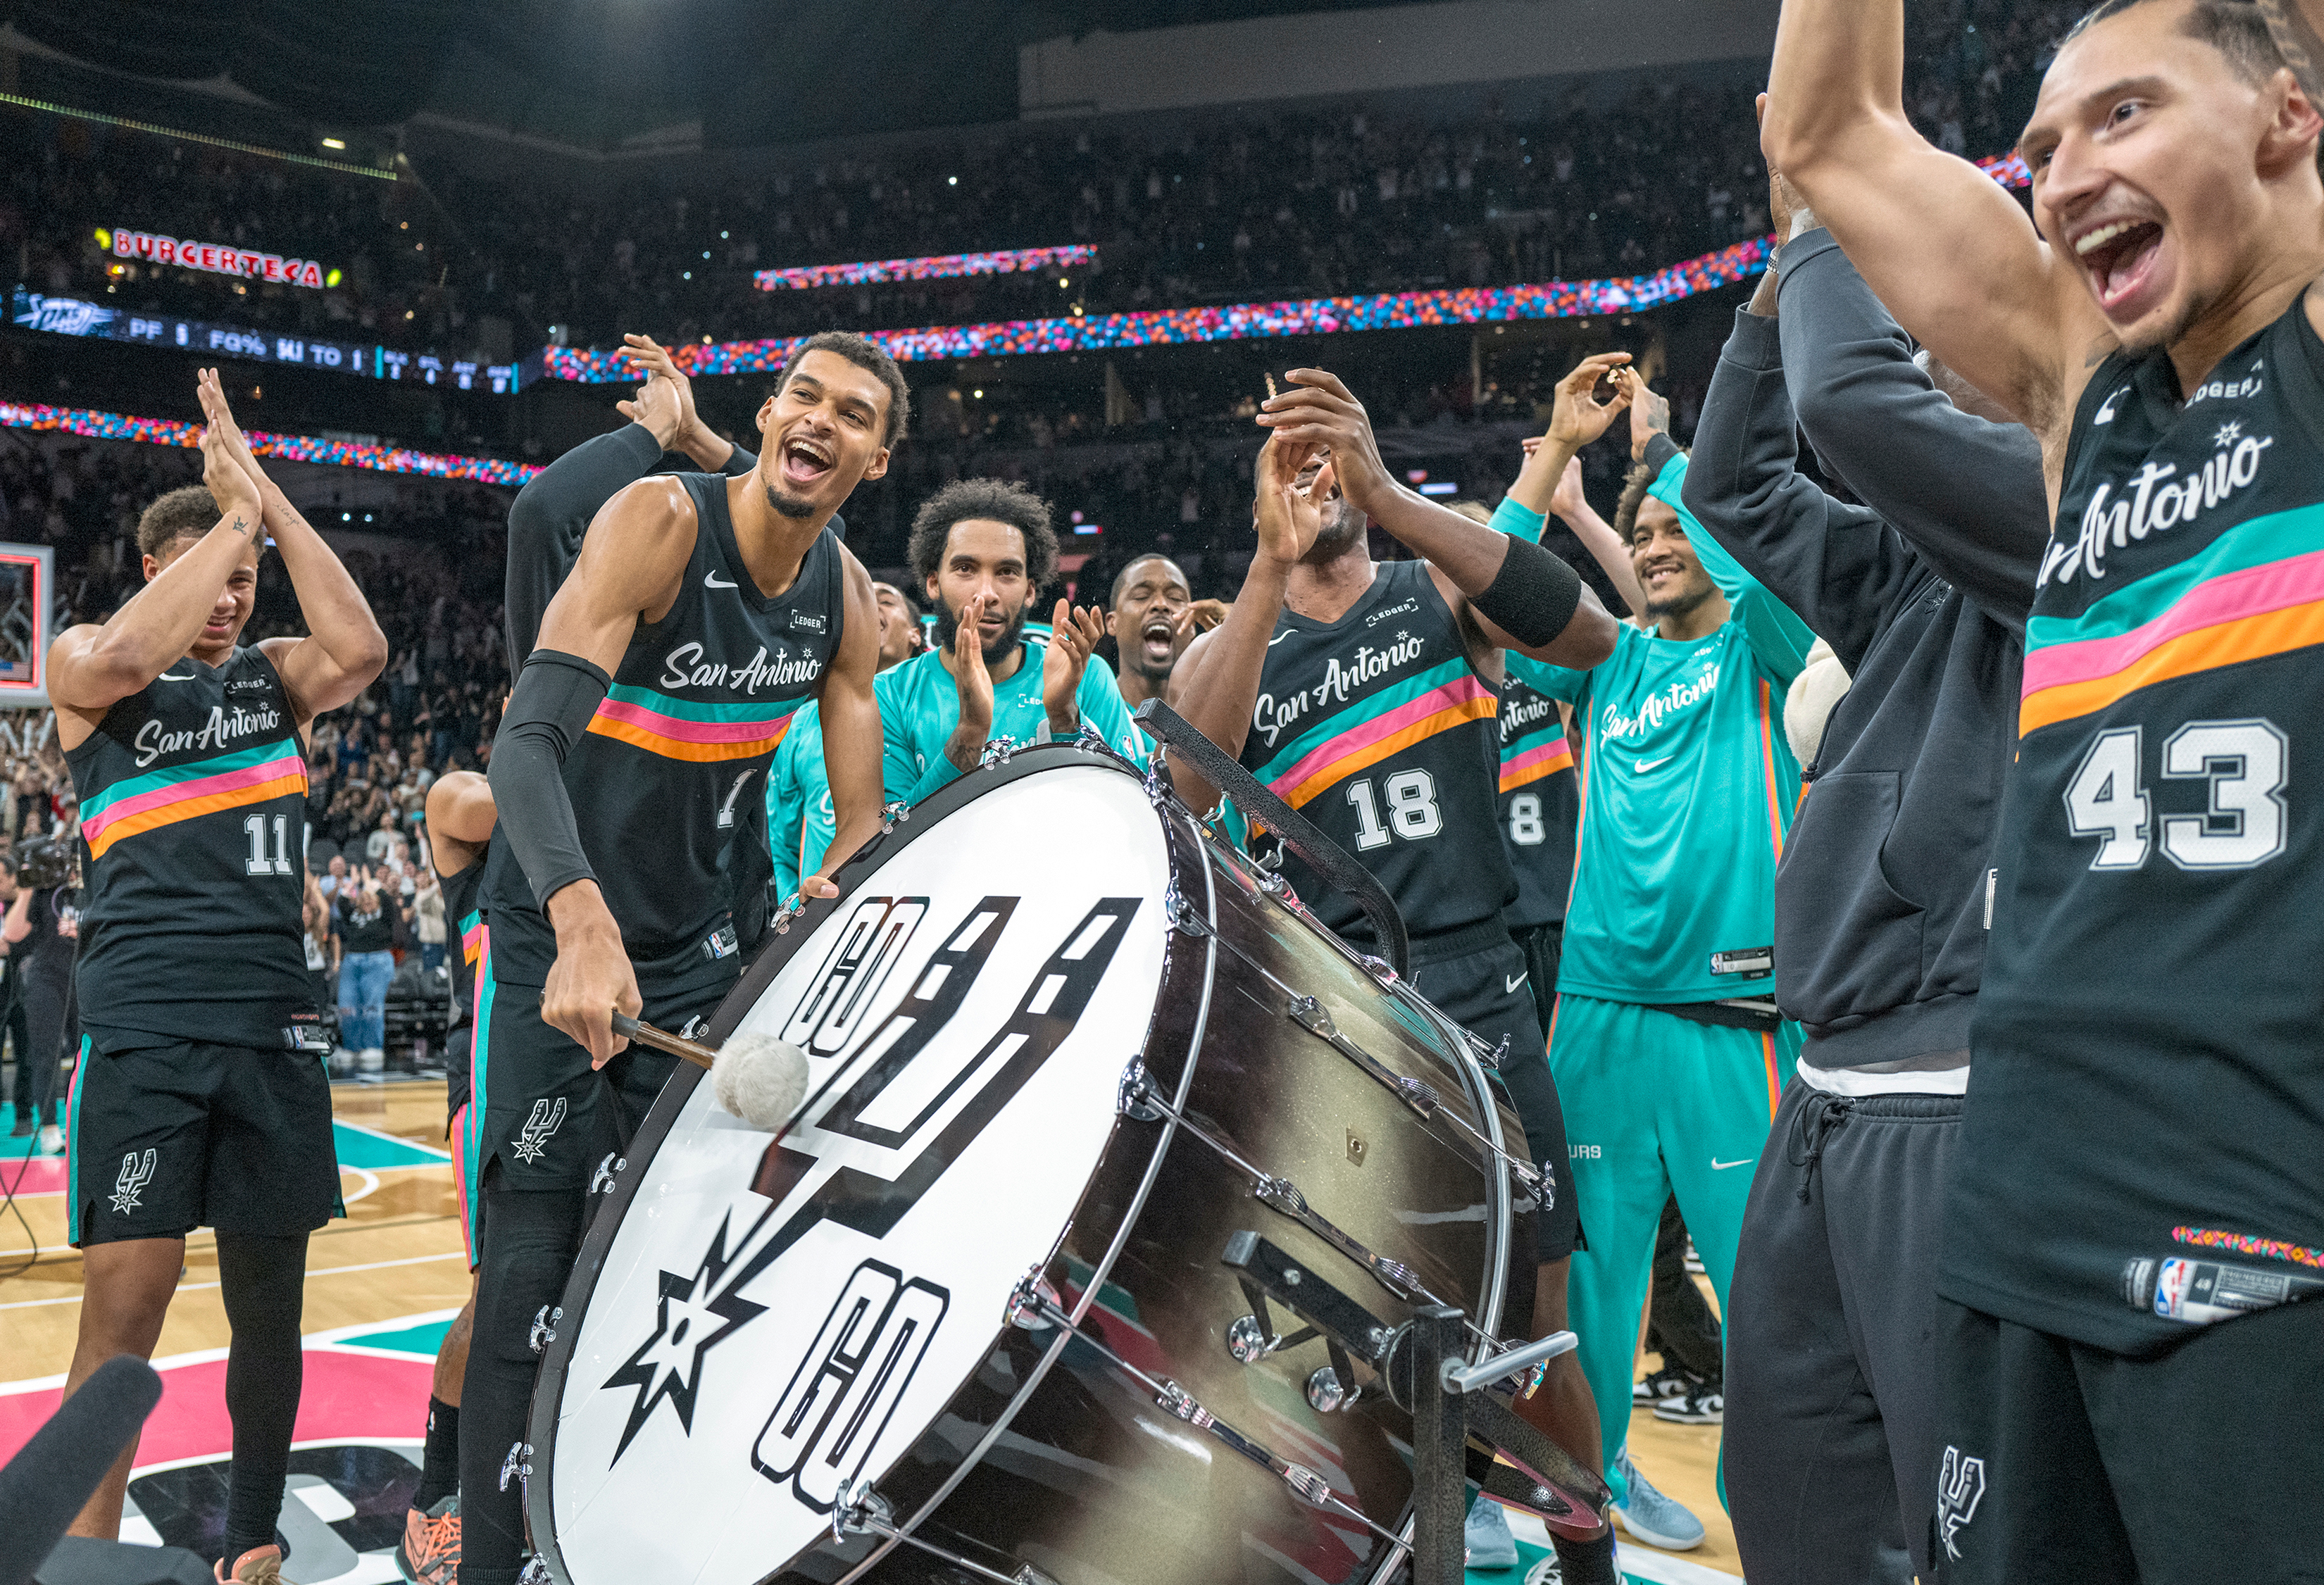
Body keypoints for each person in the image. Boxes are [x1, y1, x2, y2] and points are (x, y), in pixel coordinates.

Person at [1766, 2, 2324, 1574]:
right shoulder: (2090, 403)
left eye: (2125, 114)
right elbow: (1827, 140)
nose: (2065, 172)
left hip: (2273, 1241)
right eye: (2043, 147)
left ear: (2291, 113)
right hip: (2026, 1221)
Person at [1170, 368, 1623, 1584]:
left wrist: (1395, 495)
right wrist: (1267, 569)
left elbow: (1586, 633)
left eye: (1336, 461)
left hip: (1477, 994)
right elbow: (1190, 794)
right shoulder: (1236, 642)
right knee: (1343, 1334)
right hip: (1336, 1020)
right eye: (1296, 467)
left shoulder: (1438, 591)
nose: (1318, 484)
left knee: (1530, 1334)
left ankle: (1585, 1550)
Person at [468, 330, 900, 1585]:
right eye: (805, 396)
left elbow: (863, 819)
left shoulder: (842, 599)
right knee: (528, 1286)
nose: (822, 420)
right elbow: (523, 748)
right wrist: (580, 918)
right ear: (767, 417)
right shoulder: (657, 521)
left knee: (704, 1282)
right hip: (560, 936)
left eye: (855, 414)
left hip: (704, 968)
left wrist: (841, 877)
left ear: (876, 456)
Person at [1678, 146, 2047, 1580]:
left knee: (1956, 1526)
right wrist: (1772, 302)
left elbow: (1858, 403)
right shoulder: (1911, 568)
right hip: (1831, 1085)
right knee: (1802, 1515)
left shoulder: (2067, 505)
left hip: (1954, 1096)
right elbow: (1735, 481)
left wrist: (1833, 198)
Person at [50, 370, 385, 1581]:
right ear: (159, 572)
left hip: (273, 1029)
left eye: (245, 586)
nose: (232, 602)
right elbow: (131, 646)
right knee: (127, 1315)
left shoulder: (272, 683)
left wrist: (268, 504)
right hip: (145, 1032)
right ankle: (84, 1555)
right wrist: (226, 517)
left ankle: (251, 1547)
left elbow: (361, 643)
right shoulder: (90, 670)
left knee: (269, 1315)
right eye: (214, 578)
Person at [1501, 354, 1817, 1550]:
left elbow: (1759, 559)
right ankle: (1595, 1488)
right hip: (1596, 1012)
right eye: (1646, 529)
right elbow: (1492, 593)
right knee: (1587, 1300)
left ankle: (1778, 1517)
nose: (1662, 536)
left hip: (1736, 1020)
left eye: (1680, 527)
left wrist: (1666, 462)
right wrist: (1550, 458)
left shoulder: (1767, 652)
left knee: (1765, 1299)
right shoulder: (1609, 664)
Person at [877, 478, 1132, 806]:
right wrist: (970, 729)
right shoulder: (890, 694)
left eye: (1007, 572)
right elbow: (891, 843)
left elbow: (1122, 815)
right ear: (932, 583)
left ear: (1030, 591)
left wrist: (1064, 718)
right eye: (966, 568)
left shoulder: (1087, 677)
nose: (987, 593)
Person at [396, 769, 496, 1585]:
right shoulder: (463, 801)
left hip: (582, 1074)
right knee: (492, 1291)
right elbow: (474, 803)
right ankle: (436, 1502)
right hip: (489, 1078)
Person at [766, 580, 922, 903]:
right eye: (859, 599)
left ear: (915, 634)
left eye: (886, 600)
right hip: (825, 917)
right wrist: (788, 911)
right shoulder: (799, 724)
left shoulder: (932, 713)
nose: (867, 604)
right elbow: (782, 844)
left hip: (910, 900)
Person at [1104, 552, 1225, 709]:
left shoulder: (1214, 716)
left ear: (1192, 627)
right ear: (1112, 623)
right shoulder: (1088, 714)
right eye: (1142, 596)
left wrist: (1241, 639)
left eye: (1175, 598)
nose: (1161, 604)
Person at [335, 864, 396, 1079]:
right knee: (347, 1006)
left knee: (372, 1006)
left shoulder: (384, 915)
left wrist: (370, 883)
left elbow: (387, 900)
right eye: (363, 897)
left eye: (371, 898)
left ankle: (372, 1046)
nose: (367, 900)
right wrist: (352, 884)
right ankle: (351, 1047)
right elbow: (342, 902)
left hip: (377, 961)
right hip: (352, 961)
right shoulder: (352, 916)